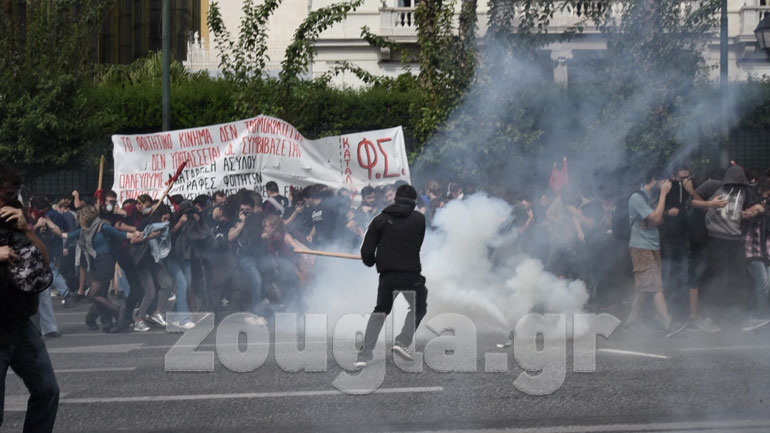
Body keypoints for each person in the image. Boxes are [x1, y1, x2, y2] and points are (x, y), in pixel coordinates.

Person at [0, 165, 60, 433]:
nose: (10, 199)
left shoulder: (17, 216)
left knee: (47, 390)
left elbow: (45, 260)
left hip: (20, 322)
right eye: (5, 193)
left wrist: (27, 229)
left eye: (14, 193)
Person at [354, 184, 427, 369]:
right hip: (411, 274)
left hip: (388, 275)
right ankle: (402, 341)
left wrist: (373, 260)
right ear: (413, 202)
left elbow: (366, 251)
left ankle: (364, 354)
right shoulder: (419, 219)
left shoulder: (379, 220)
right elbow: (416, 243)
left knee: (380, 311)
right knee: (419, 307)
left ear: (395, 199)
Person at [624, 168, 687, 337]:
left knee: (644, 287)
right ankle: (667, 323)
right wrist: (664, 196)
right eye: (662, 181)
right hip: (641, 247)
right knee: (656, 286)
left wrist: (659, 215)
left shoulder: (649, 197)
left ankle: (631, 322)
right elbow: (656, 217)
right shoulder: (637, 197)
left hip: (651, 246)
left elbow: (657, 218)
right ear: (653, 179)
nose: (665, 185)